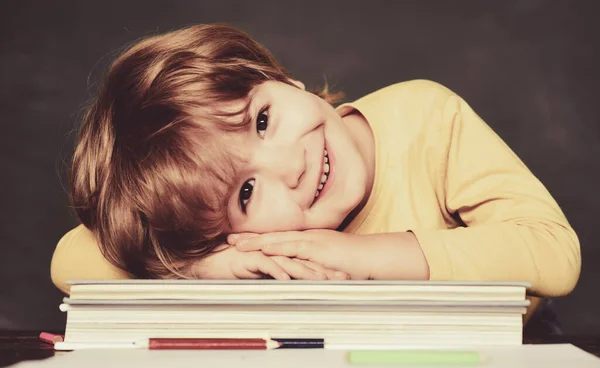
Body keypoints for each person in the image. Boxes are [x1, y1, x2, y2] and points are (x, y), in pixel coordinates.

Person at [50, 24, 581, 318]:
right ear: (231, 233)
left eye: (262, 120)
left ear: (285, 80)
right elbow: (70, 260)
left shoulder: (426, 117)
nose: (290, 164)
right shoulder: (248, 249)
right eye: (247, 192)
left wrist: (356, 254)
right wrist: (204, 265)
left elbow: (554, 254)